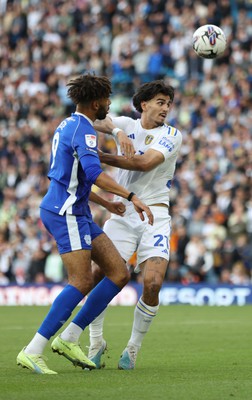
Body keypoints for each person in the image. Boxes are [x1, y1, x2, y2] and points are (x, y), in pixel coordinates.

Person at [16, 73, 153, 375]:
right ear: (96, 103)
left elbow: (72, 175)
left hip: (75, 210)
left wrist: (105, 204)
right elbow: (91, 171)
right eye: (106, 99)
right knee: (81, 281)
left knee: (118, 273)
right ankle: (33, 349)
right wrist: (131, 196)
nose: (109, 104)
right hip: (67, 213)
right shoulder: (86, 131)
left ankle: (69, 336)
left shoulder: (69, 123)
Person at [58, 79, 182, 370]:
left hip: (156, 215)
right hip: (124, 214)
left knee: (152, 283)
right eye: (160, 102)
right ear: (144, 105)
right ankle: (96, 342)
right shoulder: (127, 124)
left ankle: (133, 348)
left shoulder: (172, 134)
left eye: (168, 103)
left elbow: (144, 163)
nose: (165, 108)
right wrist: (115, 130)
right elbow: (88, 117)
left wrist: (95, 157)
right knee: (99, 275)